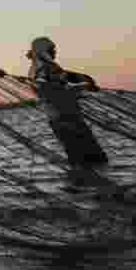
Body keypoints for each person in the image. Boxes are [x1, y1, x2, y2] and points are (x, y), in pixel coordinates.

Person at [27, 37, 108, 185]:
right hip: (68, 120)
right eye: (52, 49)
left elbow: (74, 78)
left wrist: (85, 81)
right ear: (44, 51)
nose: (55, 52)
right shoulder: (45, 69)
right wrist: (83, 85)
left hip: (59, 121)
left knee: (79, 161)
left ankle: (81, 192)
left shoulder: (40, 68)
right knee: (95, 160)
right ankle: (98, 195)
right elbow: (52, 87)